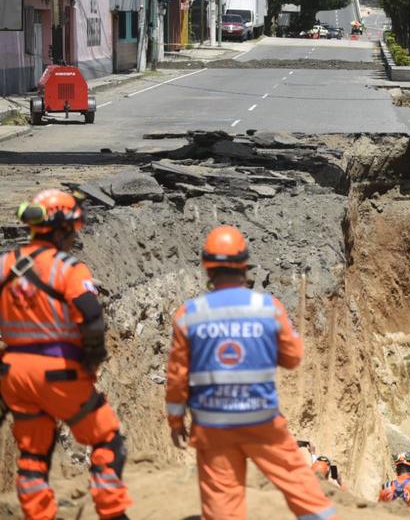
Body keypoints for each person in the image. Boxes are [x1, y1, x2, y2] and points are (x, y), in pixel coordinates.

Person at [164, 225, 336, 520]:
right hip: (260, 418)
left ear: (207, 267)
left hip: (212, 424)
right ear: (244, 265)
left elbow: (177, 377)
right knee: (303, 490)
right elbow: (293, 357)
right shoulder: (269, 307)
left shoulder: (187, 314)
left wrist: (176, 421)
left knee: (223, 507)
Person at [0, 189, 132, 520]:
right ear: (60, 229)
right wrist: (93, 358)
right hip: (58, 372)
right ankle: (112, 513)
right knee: (107, 441)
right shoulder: (67, 269)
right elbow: (90, 315)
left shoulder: (4, 264)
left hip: (13, 374)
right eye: (72, 228)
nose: (75, 235)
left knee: (33, 454)